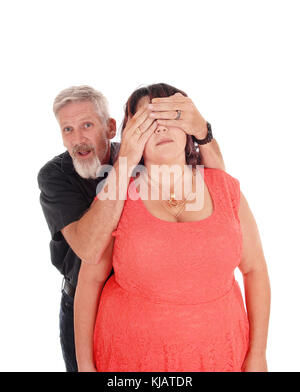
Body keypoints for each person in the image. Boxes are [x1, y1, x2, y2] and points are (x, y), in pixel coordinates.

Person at [74, 83, 271, 372]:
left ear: (188, 128)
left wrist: (258, 355)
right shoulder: (116, 197)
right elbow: (89, 282)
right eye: (148, 121)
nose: (161, 129)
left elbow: (255, 271)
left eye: (170, 118)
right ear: (131, 135)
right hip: (129, 361)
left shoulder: (226, 188)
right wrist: (85, 365)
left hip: (221, 357)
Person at [37, 85, 226, 372]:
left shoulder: (140, 154)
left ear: (112, 127)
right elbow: (90, 250)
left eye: (87, 125)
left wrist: (203, 132)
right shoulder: (55, 176)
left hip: (139, 309)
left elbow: (220, 190)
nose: (78, 139)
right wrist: (125, 163)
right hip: (83, 305)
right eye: (67, 130)